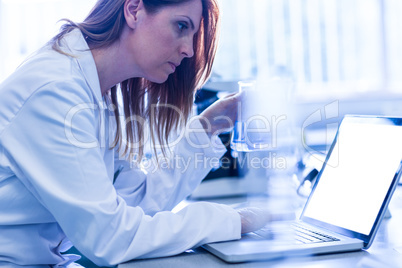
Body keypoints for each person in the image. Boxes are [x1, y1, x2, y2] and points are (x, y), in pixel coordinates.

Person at [0, 0, 271, 267]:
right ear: (133, 10)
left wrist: (209, 126)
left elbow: (138, 204)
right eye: (181, 25)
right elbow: (111, 238)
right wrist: (232, 221)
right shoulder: (56, 91)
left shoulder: (94, 91)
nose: (189, 49)